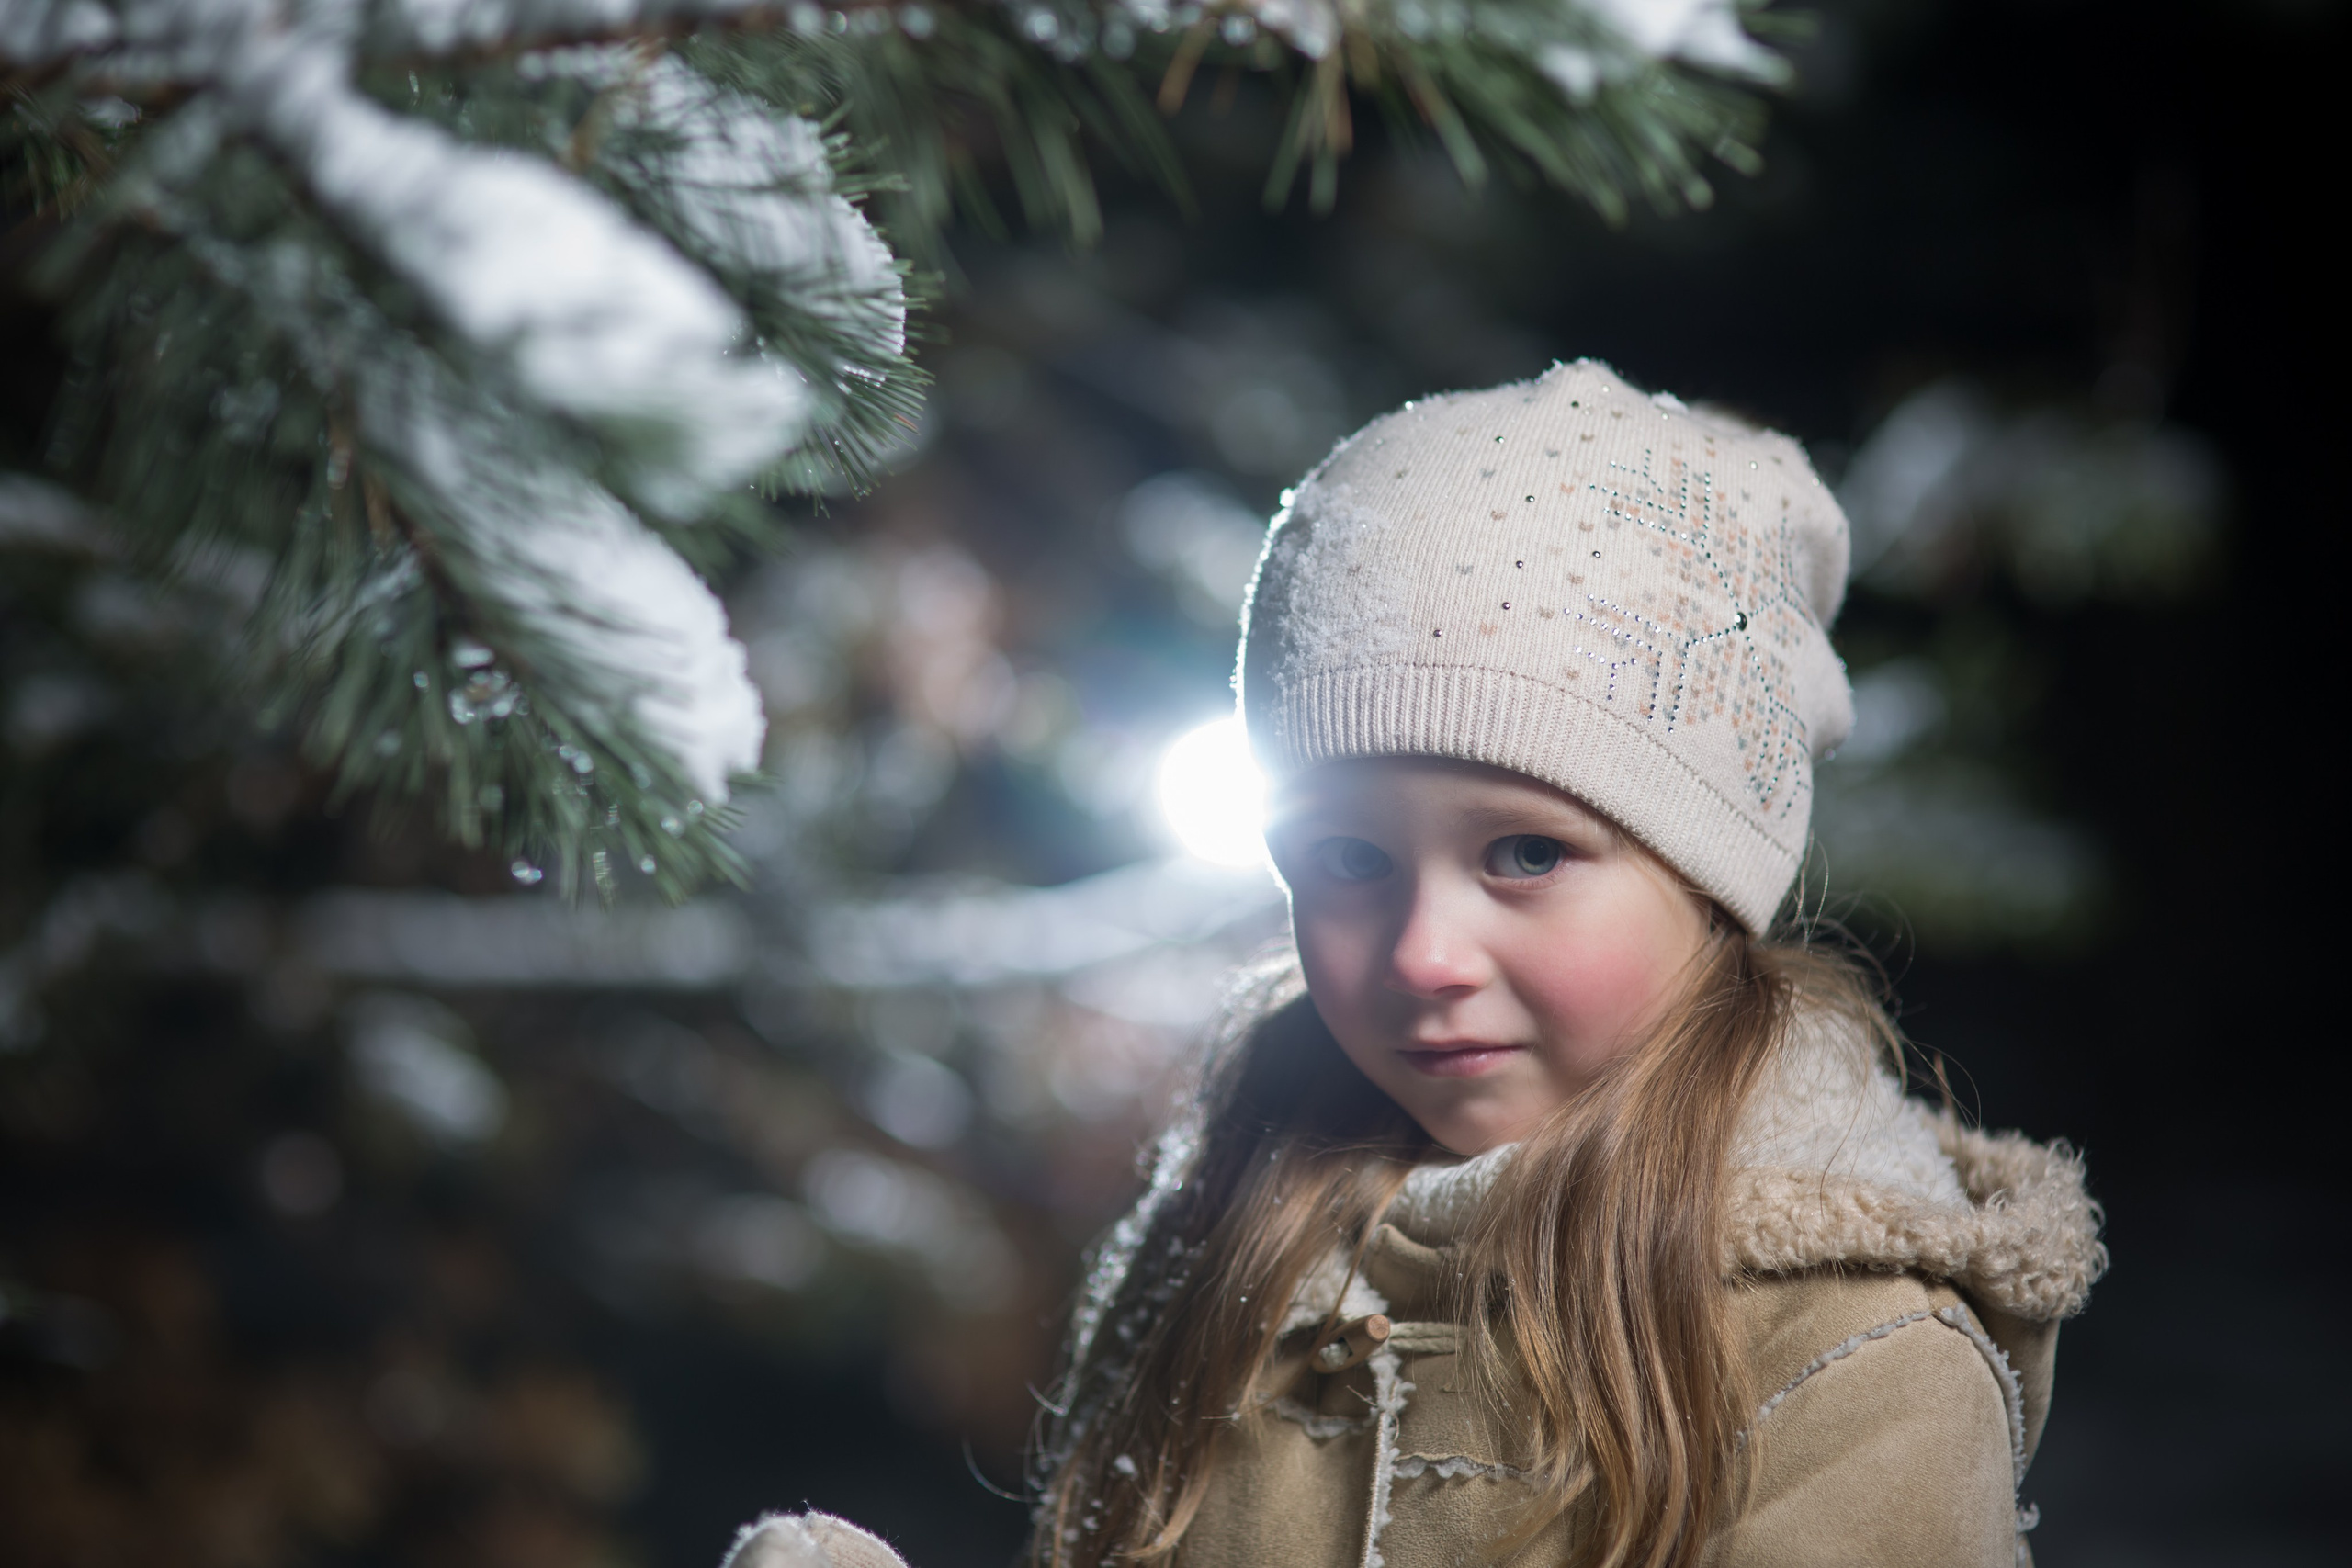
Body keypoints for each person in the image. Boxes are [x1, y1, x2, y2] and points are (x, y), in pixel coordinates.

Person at [727, 361, 2106, 1568]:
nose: (1424, 955)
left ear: (1708, 869)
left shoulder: (1854, 1367)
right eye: (1344, 863)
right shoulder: (1237, 1226)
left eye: (1523, 855)